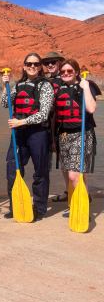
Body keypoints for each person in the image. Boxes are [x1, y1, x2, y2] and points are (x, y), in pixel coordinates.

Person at [1, 52, 54, 221]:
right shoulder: (17, 85)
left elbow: (44, 114)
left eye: (36, 64)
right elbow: (5, 103)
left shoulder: (45, 86)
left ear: (40, 67)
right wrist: (5, 86)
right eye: (29, 64)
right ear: (24, 66)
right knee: (12, 169)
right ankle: (16, 205)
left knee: (40, 172)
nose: (32, 67)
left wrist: (21, 122)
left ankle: (39, 207)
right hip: (19, 134)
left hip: (37, 133)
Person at [54, 59, 98, 199]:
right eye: (63, 71)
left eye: (69, 71)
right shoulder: (58, 88)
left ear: (77, 72)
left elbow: (91, 108)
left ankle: (82, 209)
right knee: (71, 173)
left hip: (82, 134)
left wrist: (85, 88)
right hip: (64, 135)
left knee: (74, 175)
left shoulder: (86, 85)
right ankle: (81, 202)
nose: (66, 73)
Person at [41, 51, 70, 203]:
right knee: (46, 162)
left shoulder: (67, 78)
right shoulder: (44, 81)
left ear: (60, 62)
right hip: (47, 127)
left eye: (53, 62)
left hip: (63, 126)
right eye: (47, 63)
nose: (50, 65)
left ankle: (75, 191)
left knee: (68, 162)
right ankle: (43, 196)